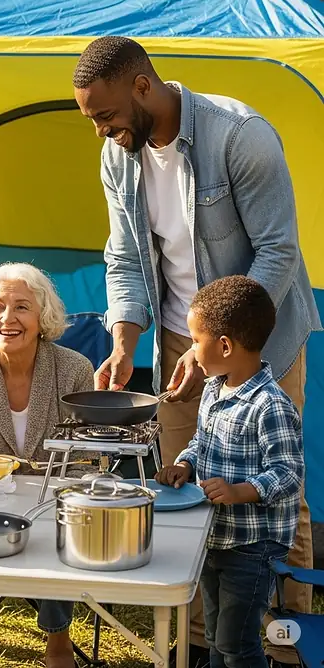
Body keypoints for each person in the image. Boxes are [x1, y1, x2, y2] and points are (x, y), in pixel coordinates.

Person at [72, 35, 319, 668]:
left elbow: (279, 252)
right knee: (186, 484)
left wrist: (224, 342)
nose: (100, 129)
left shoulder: (240, 136)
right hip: (180, 339)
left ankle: (289, 635)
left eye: (104, 115)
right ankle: (209, 641)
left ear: (142, 86)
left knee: (273, 490)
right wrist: (126, 337)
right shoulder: (116, 156)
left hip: (259, 336)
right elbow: (124, 256)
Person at [0, 262, 93, 668]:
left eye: (22, 307)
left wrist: (41, 486)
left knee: (65, 516)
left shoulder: (76, 369)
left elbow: (87, 460)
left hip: (52, 498)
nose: (8, 318)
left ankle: (58, 644)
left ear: (42, 317)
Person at [156, 276, 304, 668]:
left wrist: (241, 491)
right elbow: (202, 443)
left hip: (252, 548)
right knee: (217, 639)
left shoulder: (270, 405)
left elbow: (288, 473)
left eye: (193, 340)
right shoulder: (213, 388)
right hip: (216, 538)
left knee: (238, 645)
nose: (190, 349)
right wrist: (185, 464)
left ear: (224, 345)